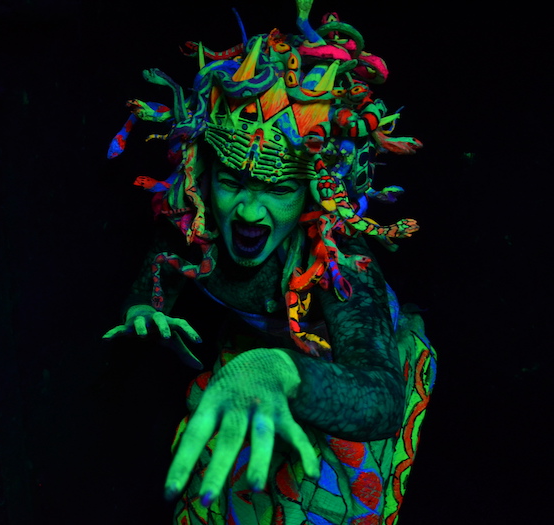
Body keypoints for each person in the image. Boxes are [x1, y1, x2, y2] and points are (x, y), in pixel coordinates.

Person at [104, 2, 436, 523]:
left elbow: (382, 399)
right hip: (254, 363)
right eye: (233, 183)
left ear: (311, 194)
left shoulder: (339, 259)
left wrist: (283, 370)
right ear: (203, 174)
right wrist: (144, 310)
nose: (250, 211)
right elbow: (160, 267)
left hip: (337, 374)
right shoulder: (194, 221)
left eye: (277, 188)